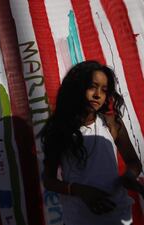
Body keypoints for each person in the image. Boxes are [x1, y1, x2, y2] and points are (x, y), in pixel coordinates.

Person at [40, 60, 144, 224]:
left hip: (118, 216)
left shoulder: (112, 123)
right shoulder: (59, 130)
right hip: (79, 218)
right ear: (76, 88)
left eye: (104, 90)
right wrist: (81, 191)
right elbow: (49, 180)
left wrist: (129, 176)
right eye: (92, 87)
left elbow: (133, 162)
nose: (98, 95)